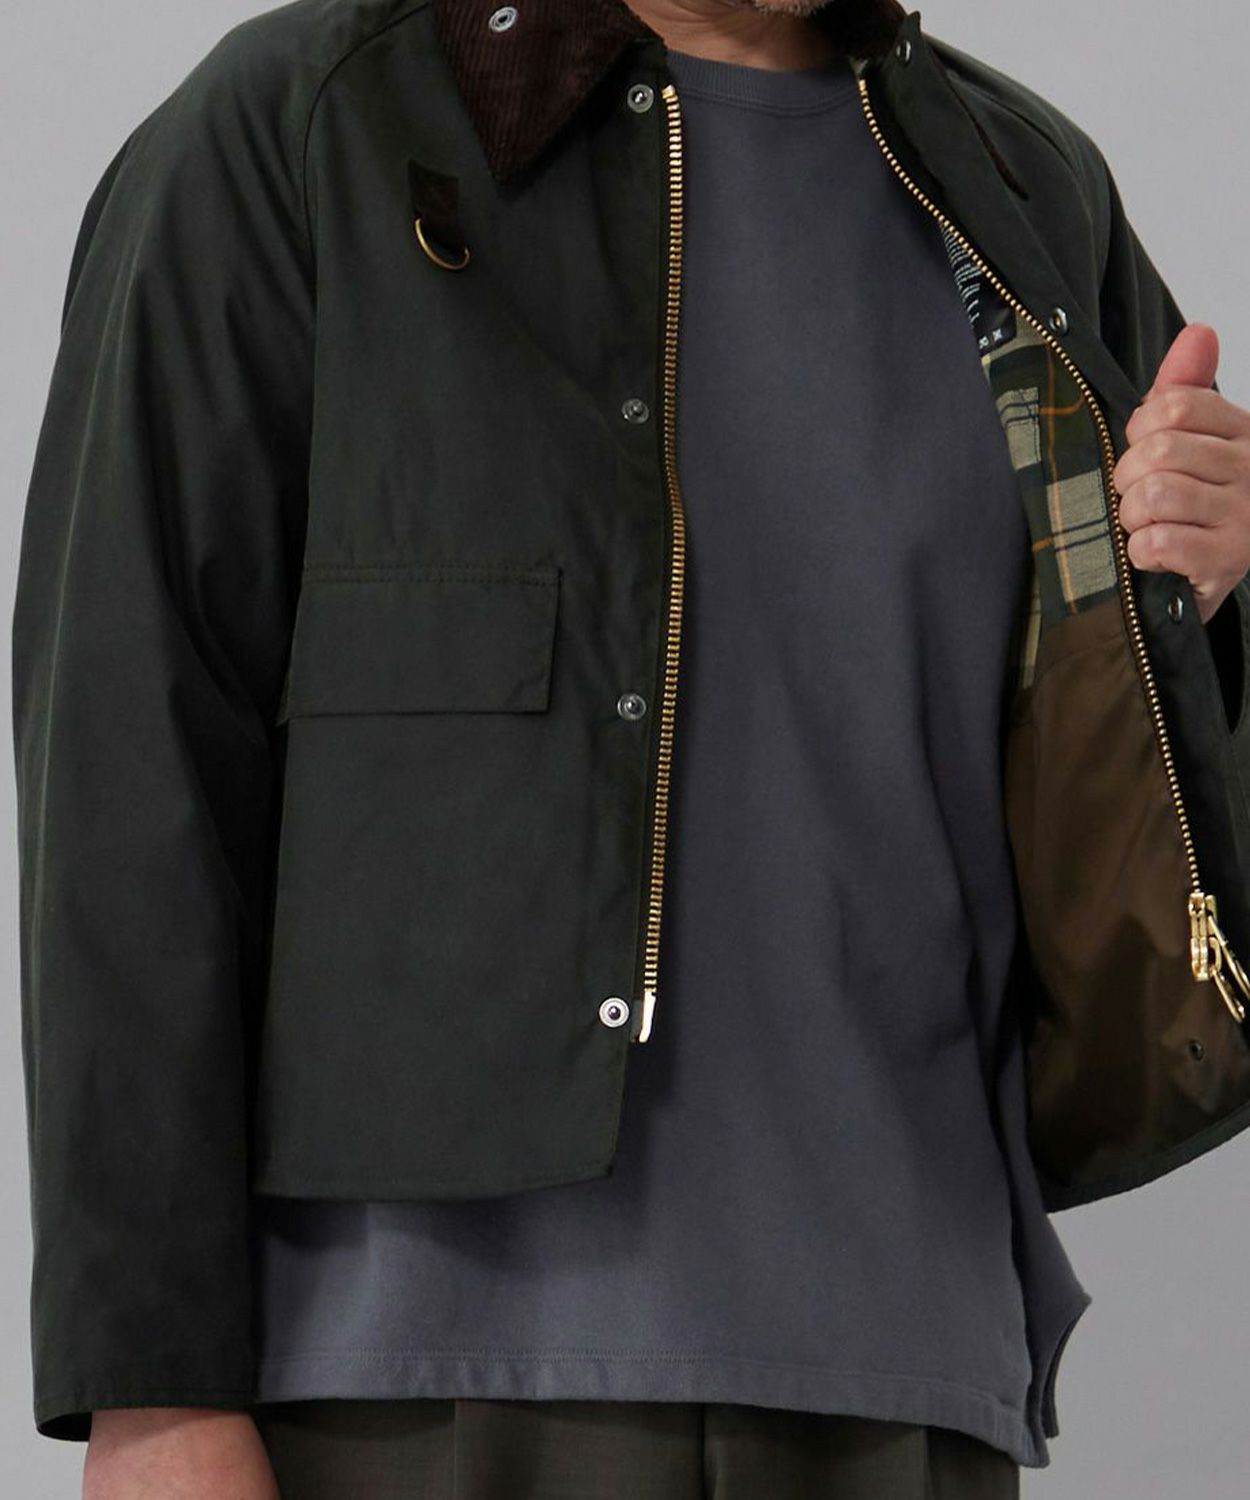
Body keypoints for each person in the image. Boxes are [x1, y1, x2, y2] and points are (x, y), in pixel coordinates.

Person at [14, 0, 1250, 1496]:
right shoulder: (309, 123)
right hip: (404, 1380)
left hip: (909, 1368)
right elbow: (131, 768)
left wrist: (1198, 594)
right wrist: (152, 1395)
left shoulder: (1017, 183)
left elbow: (1131, 793)